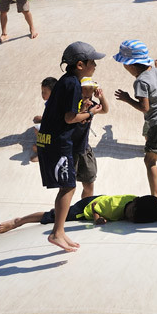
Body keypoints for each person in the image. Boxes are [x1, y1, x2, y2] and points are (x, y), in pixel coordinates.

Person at [37, 41, 105, 252]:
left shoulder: (65, 81)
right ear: (79, 64)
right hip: (59, 142)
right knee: (69, 186)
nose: (95, 65)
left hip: (51, 141)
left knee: (68, 186)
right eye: (92, 61)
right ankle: (57, 233)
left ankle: (60, 230)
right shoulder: (73, 84)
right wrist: (91, 113)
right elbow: (69, 118)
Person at [113, 40, 157, 214]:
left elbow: (145, 108)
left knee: (149, 160)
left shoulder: (140, 82)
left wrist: (127, 99)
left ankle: (155, 199)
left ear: (130, 65)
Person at [0, 193, 157, 233]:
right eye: (130, 213)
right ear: (133, 203)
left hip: (99, 199)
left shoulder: (140, 203)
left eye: (133, 219)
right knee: (55, 215)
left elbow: (151, 204)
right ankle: (19, 221)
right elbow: (96, 206)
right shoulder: (113, 207)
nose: (129, 217)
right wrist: (98, 219)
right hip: (88, 206)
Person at [73, 78, 109, 198]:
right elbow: (72, 121)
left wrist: (101, 97)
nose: (88, 92)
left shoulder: (92, 105)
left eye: (91, 89)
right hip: (71, 149)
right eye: (86, 89)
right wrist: (84, 109)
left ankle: (84, 208)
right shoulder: (73, 104)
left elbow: (104, 110)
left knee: (89, 183)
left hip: (84, 148)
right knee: (68, 186)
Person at [30, 76, 57, 162]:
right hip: (54, 129)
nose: (42, 94)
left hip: (56, 133)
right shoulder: (52, 102)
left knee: (37, 129)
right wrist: (42, 119)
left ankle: (44, 153)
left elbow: (53, 120)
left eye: (44, 92)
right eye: (42, 91)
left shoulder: (54, 104)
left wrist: (42, 120)